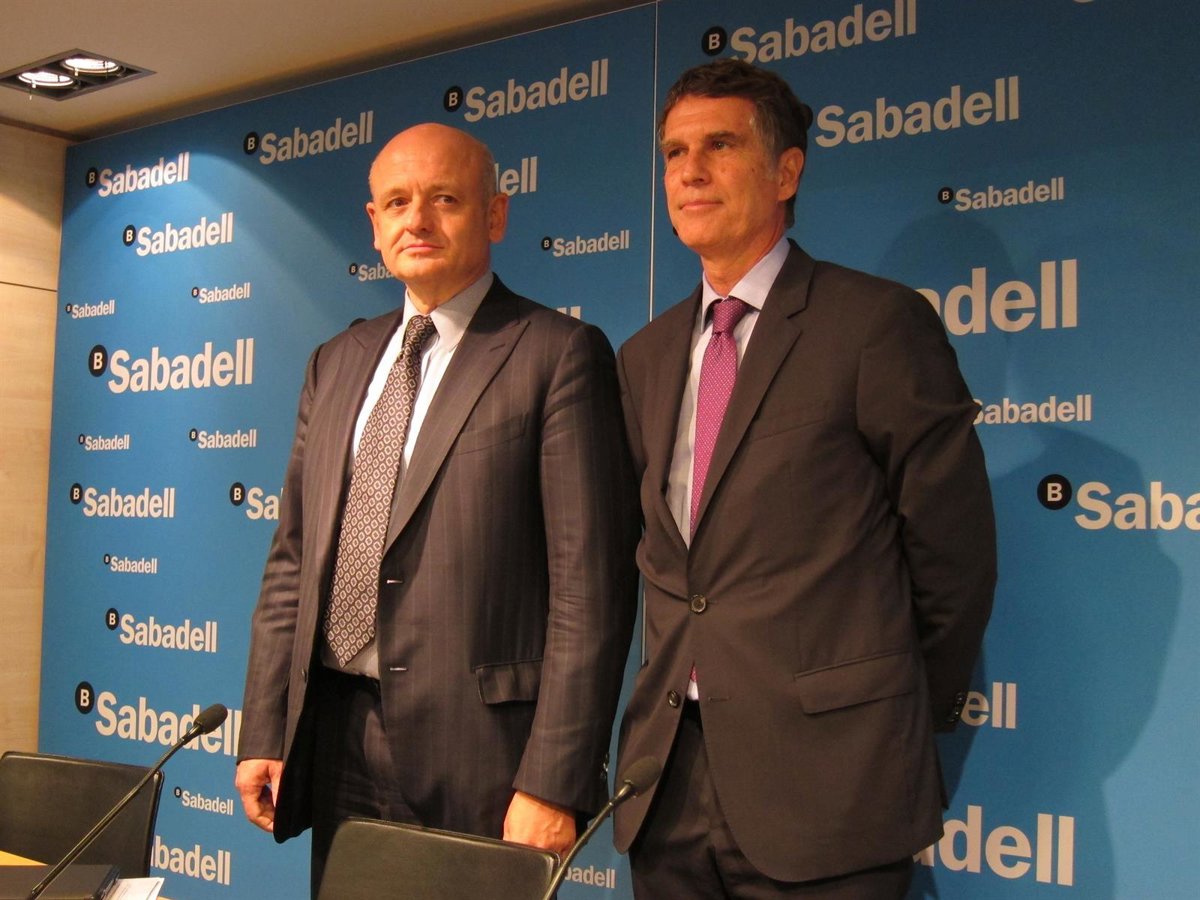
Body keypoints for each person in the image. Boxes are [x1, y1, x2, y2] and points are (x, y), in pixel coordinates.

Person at [612, 59, 997, 898]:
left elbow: (953, 557)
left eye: (719, 145)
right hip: (668, 788)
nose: (690, 171)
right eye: (674, 153)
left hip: (832, 786)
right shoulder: (644, 357)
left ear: (786, 171)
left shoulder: (874, 325)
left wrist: (881, 716)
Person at [235, 122, 639, 895]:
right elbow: (293, 559)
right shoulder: (336, 361)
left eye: (444, 199)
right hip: (335, 736)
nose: (416, 219)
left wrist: (554, 779)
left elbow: (590, 589)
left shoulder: (556, 354)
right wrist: (266, 726)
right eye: (397, 202)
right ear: (374, 223)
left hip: (484, 758)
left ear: (495, 214)